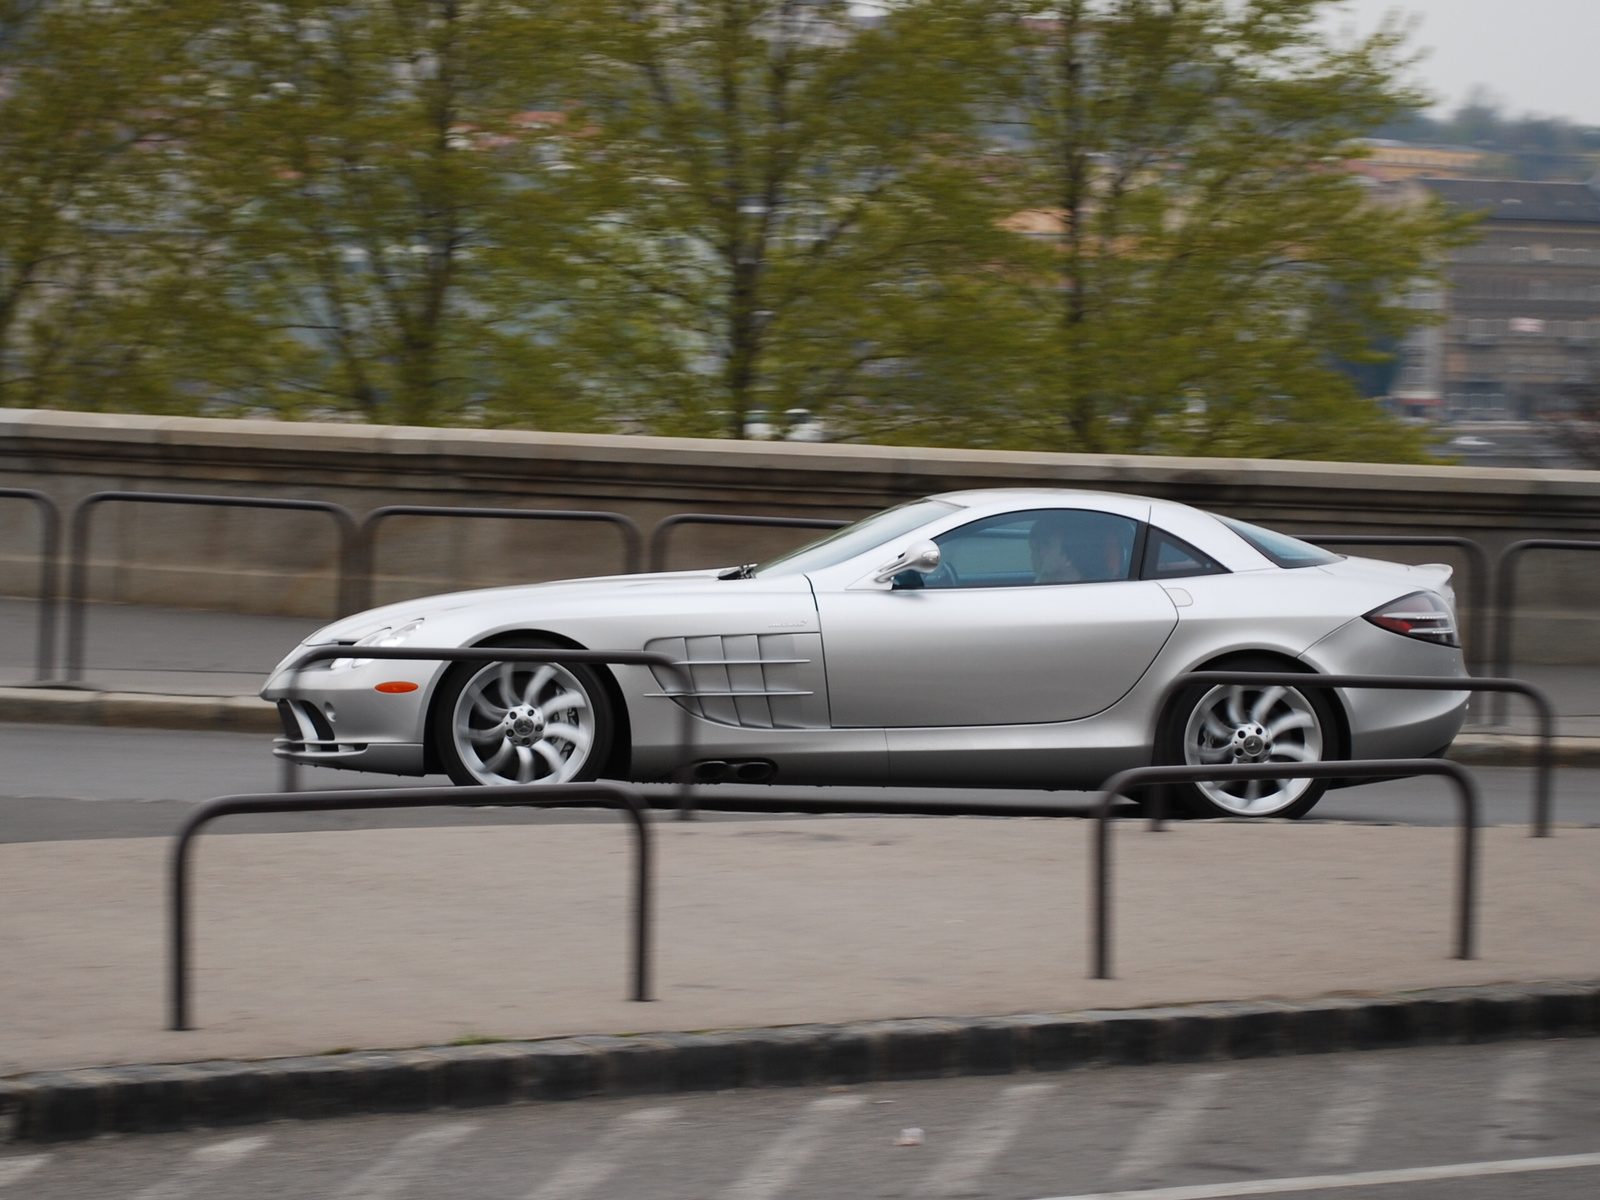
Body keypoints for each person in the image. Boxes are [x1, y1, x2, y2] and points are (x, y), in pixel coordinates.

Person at [1028, 511, 1128, 584]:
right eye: (1033, 549)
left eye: (1041, 548)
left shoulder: (1085, 594)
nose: (1035, 555)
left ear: (1068, 558)